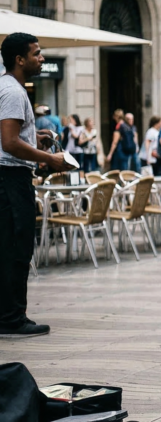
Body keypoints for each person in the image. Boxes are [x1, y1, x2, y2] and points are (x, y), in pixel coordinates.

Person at [0, 33, 73, 338]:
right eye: (37, 53)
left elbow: (13, 137)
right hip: (11, 179)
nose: (42, 58)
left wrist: (34, 137)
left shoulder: (8, 88)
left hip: (8, 178)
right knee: (16, 247)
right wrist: (49, 158)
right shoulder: (14, 92)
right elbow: (9, 142)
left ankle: (8, 314)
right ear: (20, 59)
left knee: (9, 246)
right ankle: (12, 318)